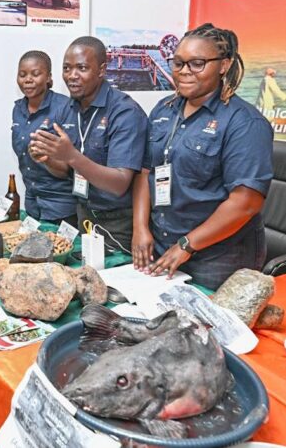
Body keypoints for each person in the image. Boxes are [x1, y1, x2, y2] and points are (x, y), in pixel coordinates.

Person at [131, 24, 273, 288]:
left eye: (197, 63)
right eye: (178, 63)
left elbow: (246, 203)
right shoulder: (164, 109)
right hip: (165, 245)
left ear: (224, 65)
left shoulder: (245, 123)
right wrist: (140, 227)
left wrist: (188, 244)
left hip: (217, 257)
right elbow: (146, 172)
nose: (184, 71)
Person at [30, 36, 148, 253]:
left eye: (82, 68)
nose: (72, 76)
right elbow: (65, 170)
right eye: (67, 68)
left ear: (101, 70)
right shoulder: (68, 109)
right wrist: (48, 159)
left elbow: (120, 183)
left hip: (118, 223)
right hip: (83, 214)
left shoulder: (124, 112)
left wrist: (71, 155)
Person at [12, 50, 79, 228]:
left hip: (61, 207)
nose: (28, 79)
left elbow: (70, 167)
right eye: (22, 74)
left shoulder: (66, 107)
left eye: (35, 74)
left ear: (49, 78)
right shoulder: (18, 110)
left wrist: (47, 158)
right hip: (32, 204)